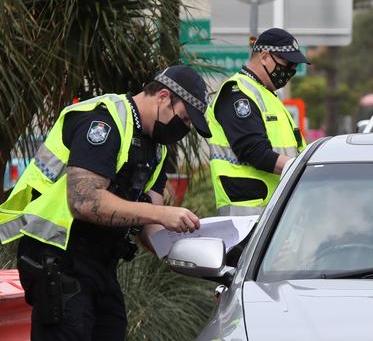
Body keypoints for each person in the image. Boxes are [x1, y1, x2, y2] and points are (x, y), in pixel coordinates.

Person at [0, 65, 212, 340]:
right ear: (162, 96)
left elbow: (151, 226)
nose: (183, 130)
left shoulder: (155, 149)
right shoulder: (105, 121)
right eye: (183, 119)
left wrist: (190, 253)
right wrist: (161, 213)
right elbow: (84, 200)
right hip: (57, 254)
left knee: (112, 326)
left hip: (99, 262)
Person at [205, 28, 308, 216]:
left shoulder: (269, 97)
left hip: (274, 211)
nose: (291, 70)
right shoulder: (237, 93)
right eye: (288, 63)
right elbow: (254, 151)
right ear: (264, 56)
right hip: (246, 216)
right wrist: (300, 169)